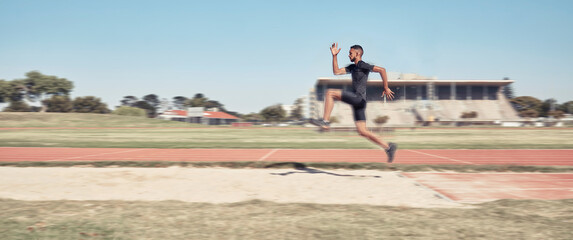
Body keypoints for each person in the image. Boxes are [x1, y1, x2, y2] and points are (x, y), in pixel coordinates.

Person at [310, 43, 397, 163]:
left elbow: (382, 70)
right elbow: (336, 72)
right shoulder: (352, 67)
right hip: (360, 102)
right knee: (362, 131)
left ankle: (325, 121)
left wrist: (386, 87)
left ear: (358, 53)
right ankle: (388, 147)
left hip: (358, 98)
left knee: (330, 93)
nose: (348, 55)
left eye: (350, 53)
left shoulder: (362, 65)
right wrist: (334, 56)